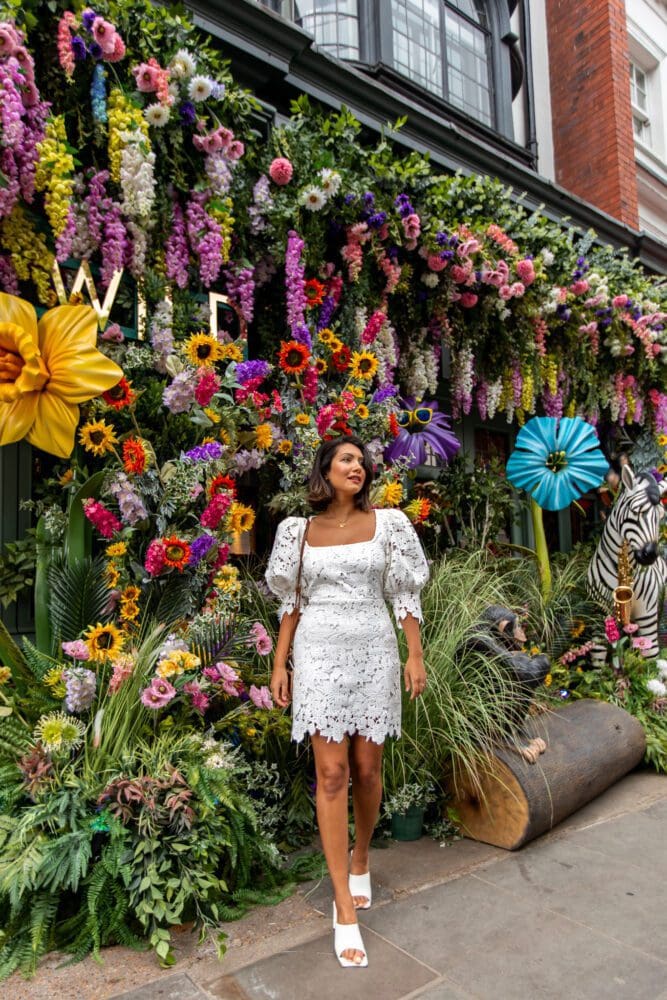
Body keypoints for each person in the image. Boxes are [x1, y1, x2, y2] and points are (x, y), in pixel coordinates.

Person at [265, 435, 429, 968]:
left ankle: (362, 854)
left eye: (362, 461)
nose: (357, 467)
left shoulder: (390, 524)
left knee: (367, 767)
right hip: (317, 656)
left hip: (374, 651)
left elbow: (404, 592)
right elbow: (291, 600)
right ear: (325, 471)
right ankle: (343, 905)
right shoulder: (299, 531)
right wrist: (279, 662)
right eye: (347, 459)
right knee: (332, 774)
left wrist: (415, 654)